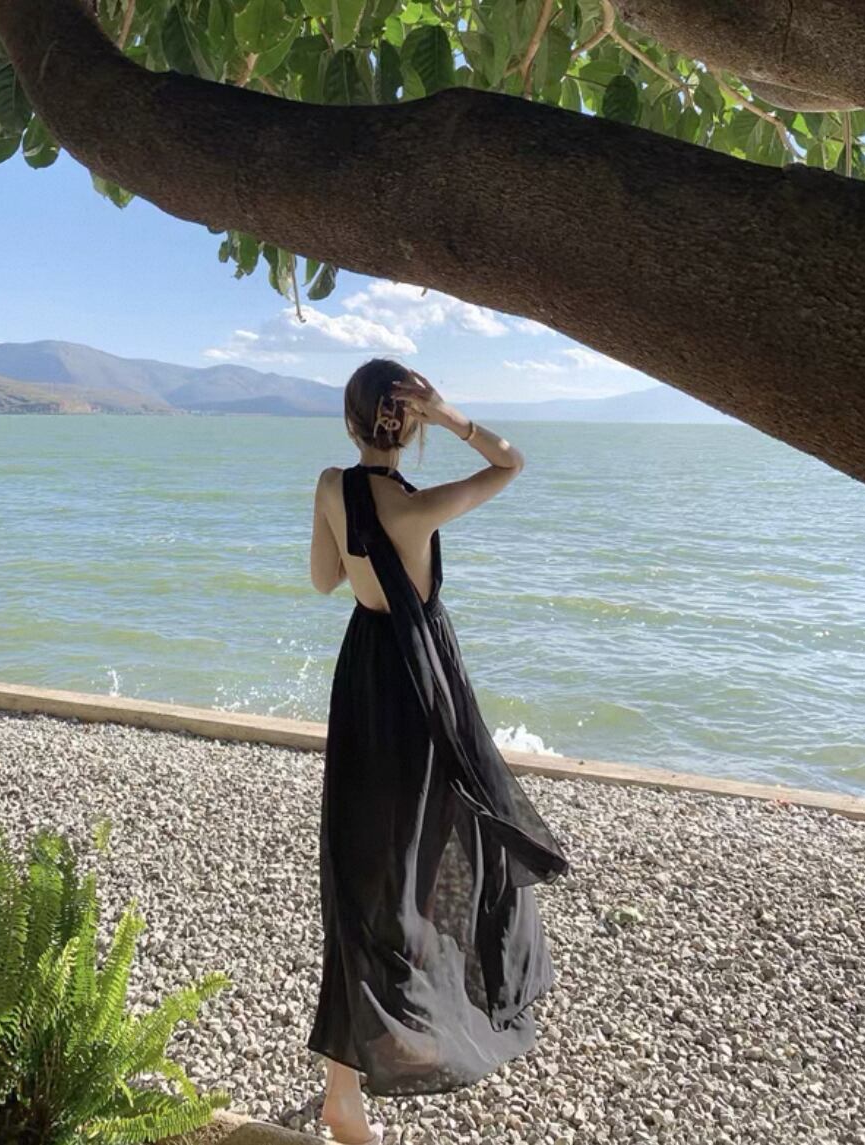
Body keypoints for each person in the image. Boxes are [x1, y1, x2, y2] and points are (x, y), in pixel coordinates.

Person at [306, 358, 571, 1144]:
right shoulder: (419, 507)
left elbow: (324, 580)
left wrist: (354, 543)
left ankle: (344, 1084)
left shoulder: (330, 486)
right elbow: (511, 462)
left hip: (363, 680)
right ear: (409, 422)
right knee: (427, 861)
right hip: (421, 690)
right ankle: (406, 1032)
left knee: (360, 868)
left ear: (351, 419)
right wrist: (453, 416)